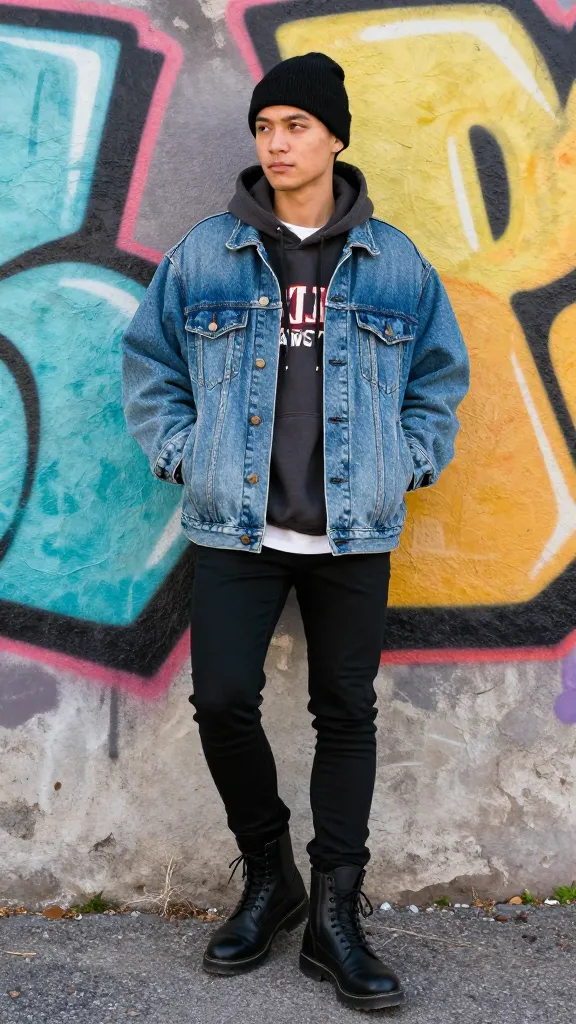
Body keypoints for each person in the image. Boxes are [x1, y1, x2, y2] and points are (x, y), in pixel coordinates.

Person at [122, 52, 469, 1010]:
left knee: (345, 711)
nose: (275, 143)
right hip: (238, 524)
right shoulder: (207, 255)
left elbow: (439, 380)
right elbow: (151, 367)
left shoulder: (394, 262)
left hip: (354, 530)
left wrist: (410, 458)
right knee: (224, 697)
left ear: (335, 138)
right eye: (265, 126)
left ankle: (335, 915)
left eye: (296, 126)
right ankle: (269, 875)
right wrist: (187, 453)